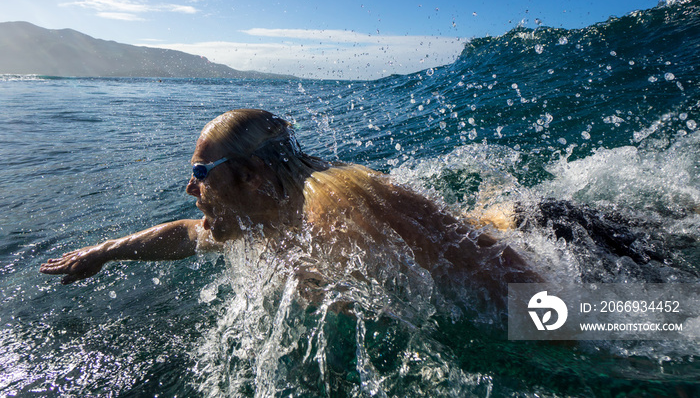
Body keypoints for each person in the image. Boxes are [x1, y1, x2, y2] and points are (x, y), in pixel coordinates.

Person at [40, 109, 541, 296]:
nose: (191, 190)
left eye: (200, 174)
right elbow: (190, 234)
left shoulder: (338, 212)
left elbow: (511, 277)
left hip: (550, 230)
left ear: (252, 175)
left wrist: (597, 344)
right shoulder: (269, 209)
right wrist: (106, 251)